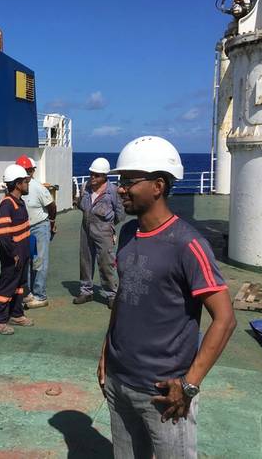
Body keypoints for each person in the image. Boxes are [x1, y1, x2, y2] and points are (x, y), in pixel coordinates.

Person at [97, 136, 237, 458]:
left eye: (129, 181)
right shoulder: (129, 234)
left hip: (165, 393)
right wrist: (106, 353)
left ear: (158, 186)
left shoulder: (188, 244)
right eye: (120, 181)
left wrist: (189, 384)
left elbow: (225, 319)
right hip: (119, 381)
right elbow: (124, 297)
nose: (120, 189)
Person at [73, 158, 123, 309]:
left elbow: (120, 213)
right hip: (85, 228)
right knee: (85, 261)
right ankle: (86, 291)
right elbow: (82, 205)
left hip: (104, 230)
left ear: (105, 176)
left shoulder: (113, 191)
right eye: (91, 174)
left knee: (106, 263)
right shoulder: (85, 187)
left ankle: (111, 295)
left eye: (96, 175)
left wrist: (109, 227)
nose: (92, 177)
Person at [0, 164, 34, 335]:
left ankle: (16, 313)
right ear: (17, 184)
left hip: (22, 254)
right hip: (13, 255)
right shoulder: (8, 204)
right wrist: (14, 253)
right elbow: (3, 234)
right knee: (7, 286)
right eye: (25, 181)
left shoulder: (19, 202)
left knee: (19, 285)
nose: (28, 183)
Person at [15, 155, 56, 310]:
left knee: (39, 262)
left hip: (39, 226)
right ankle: (27, 293)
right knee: (26, 261)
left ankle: (40, 296)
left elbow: (52, 206)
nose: (26, 173)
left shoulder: (38, 188)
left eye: (28, 171)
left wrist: (51, 223)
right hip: (25, 228)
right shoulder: (17, 188)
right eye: (24, 171)